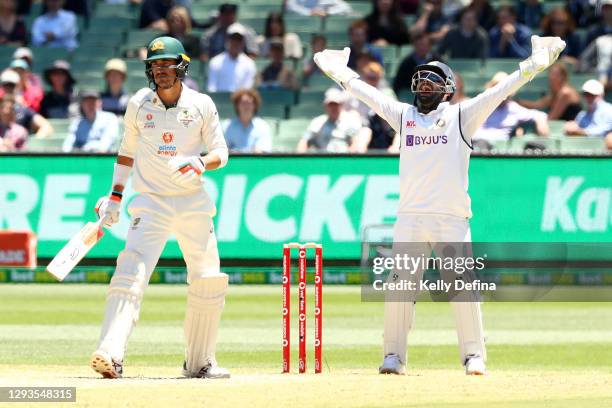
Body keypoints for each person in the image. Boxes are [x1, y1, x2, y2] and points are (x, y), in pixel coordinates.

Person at [314, 34, 566, 375]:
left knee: (462, 288)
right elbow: (368, 95)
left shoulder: (463, 115)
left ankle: (474, 356)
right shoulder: (404, 116)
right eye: (421, 78)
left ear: (447, 87)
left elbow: (500, 91)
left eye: (434, 78)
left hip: (451, 218)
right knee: (400, 287)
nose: (424, 83)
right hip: (410, 217)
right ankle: (393, 356)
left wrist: (533, 66)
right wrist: (340, 74)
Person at [90, 36, 230, 380]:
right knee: (130, 272)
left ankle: (200, 362)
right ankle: (110, 353)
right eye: (155, 66)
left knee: (208, 278)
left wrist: (200, 162)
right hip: (150, 202)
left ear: (181, 66)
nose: (161, 71)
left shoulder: (201, 104)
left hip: (192, 201)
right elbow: (126, 153)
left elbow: (221, 153)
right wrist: (115, 197)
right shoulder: (139, 103)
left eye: (167, 65)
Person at [472, 72, 549, 146]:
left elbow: (539, 115)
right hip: (472, 144)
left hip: (495, 149)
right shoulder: (482, 104)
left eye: (504, 89)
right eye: (497, 87)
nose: (500, 92)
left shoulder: (513, 109)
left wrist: (541, 123)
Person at [297, 87, 367, 153]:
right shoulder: (317, 122)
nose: (334, 108)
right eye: (331, 104)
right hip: (322, 160)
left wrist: (348, 159)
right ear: (325, 106)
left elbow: (354, 143)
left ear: (341, 105)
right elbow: (304, 142)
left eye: (336, 104)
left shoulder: (349, 121)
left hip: (343, 160)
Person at [517, 61, 581, 121]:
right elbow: (537, 105)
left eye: (556, 75)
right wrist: (517, 102)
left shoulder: (565, 93)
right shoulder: (554, 94)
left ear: (563, 77)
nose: (552, 77)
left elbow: (552, 118)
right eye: (551, 74)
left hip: (572, 129)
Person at [0, 69, 53, 138]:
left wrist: (32, 143)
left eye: (11, 85)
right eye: (5, 85)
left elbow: (46, 127)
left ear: (17, 86)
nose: (8, 88)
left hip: (19, 147)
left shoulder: (23, 110)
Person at [207, 23, 256, 92]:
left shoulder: (249, 64)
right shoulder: (215, 62)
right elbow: (211, 88)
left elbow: (247, 90)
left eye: (239, 39)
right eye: (233, 38)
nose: (235, 42)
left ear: (243, 42)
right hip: (219, 102)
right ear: (227, 39)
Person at [286, 0, 351, 17]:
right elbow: (289, 4)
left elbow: (345, 6)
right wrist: (310, 12)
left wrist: (327, 12)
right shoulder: (294, 2)